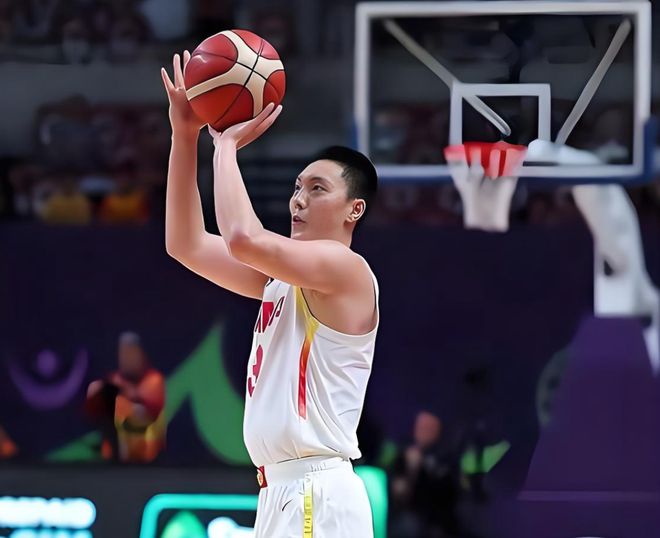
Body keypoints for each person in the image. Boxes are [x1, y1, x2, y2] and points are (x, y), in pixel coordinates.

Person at [162, 51, 379, 537]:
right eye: (297, 187)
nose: (299, 199)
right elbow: (185, 244)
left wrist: (225, 146)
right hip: (281, 491)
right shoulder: (279, 280)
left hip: (316, 491)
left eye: (318, 189)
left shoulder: (346, 270)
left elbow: (243, 238)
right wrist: (184, 136)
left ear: (354, 210)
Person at [86, 332, 166, 463]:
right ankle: (112, 450)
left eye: (131, 353)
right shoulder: (115, 378)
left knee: (122, 404)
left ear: (141, 354)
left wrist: (122, 392)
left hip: (147, 453)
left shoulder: (154, 379)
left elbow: (147, 413)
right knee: (98, 391)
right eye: (123, 353)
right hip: (117, 457)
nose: (127, 358)